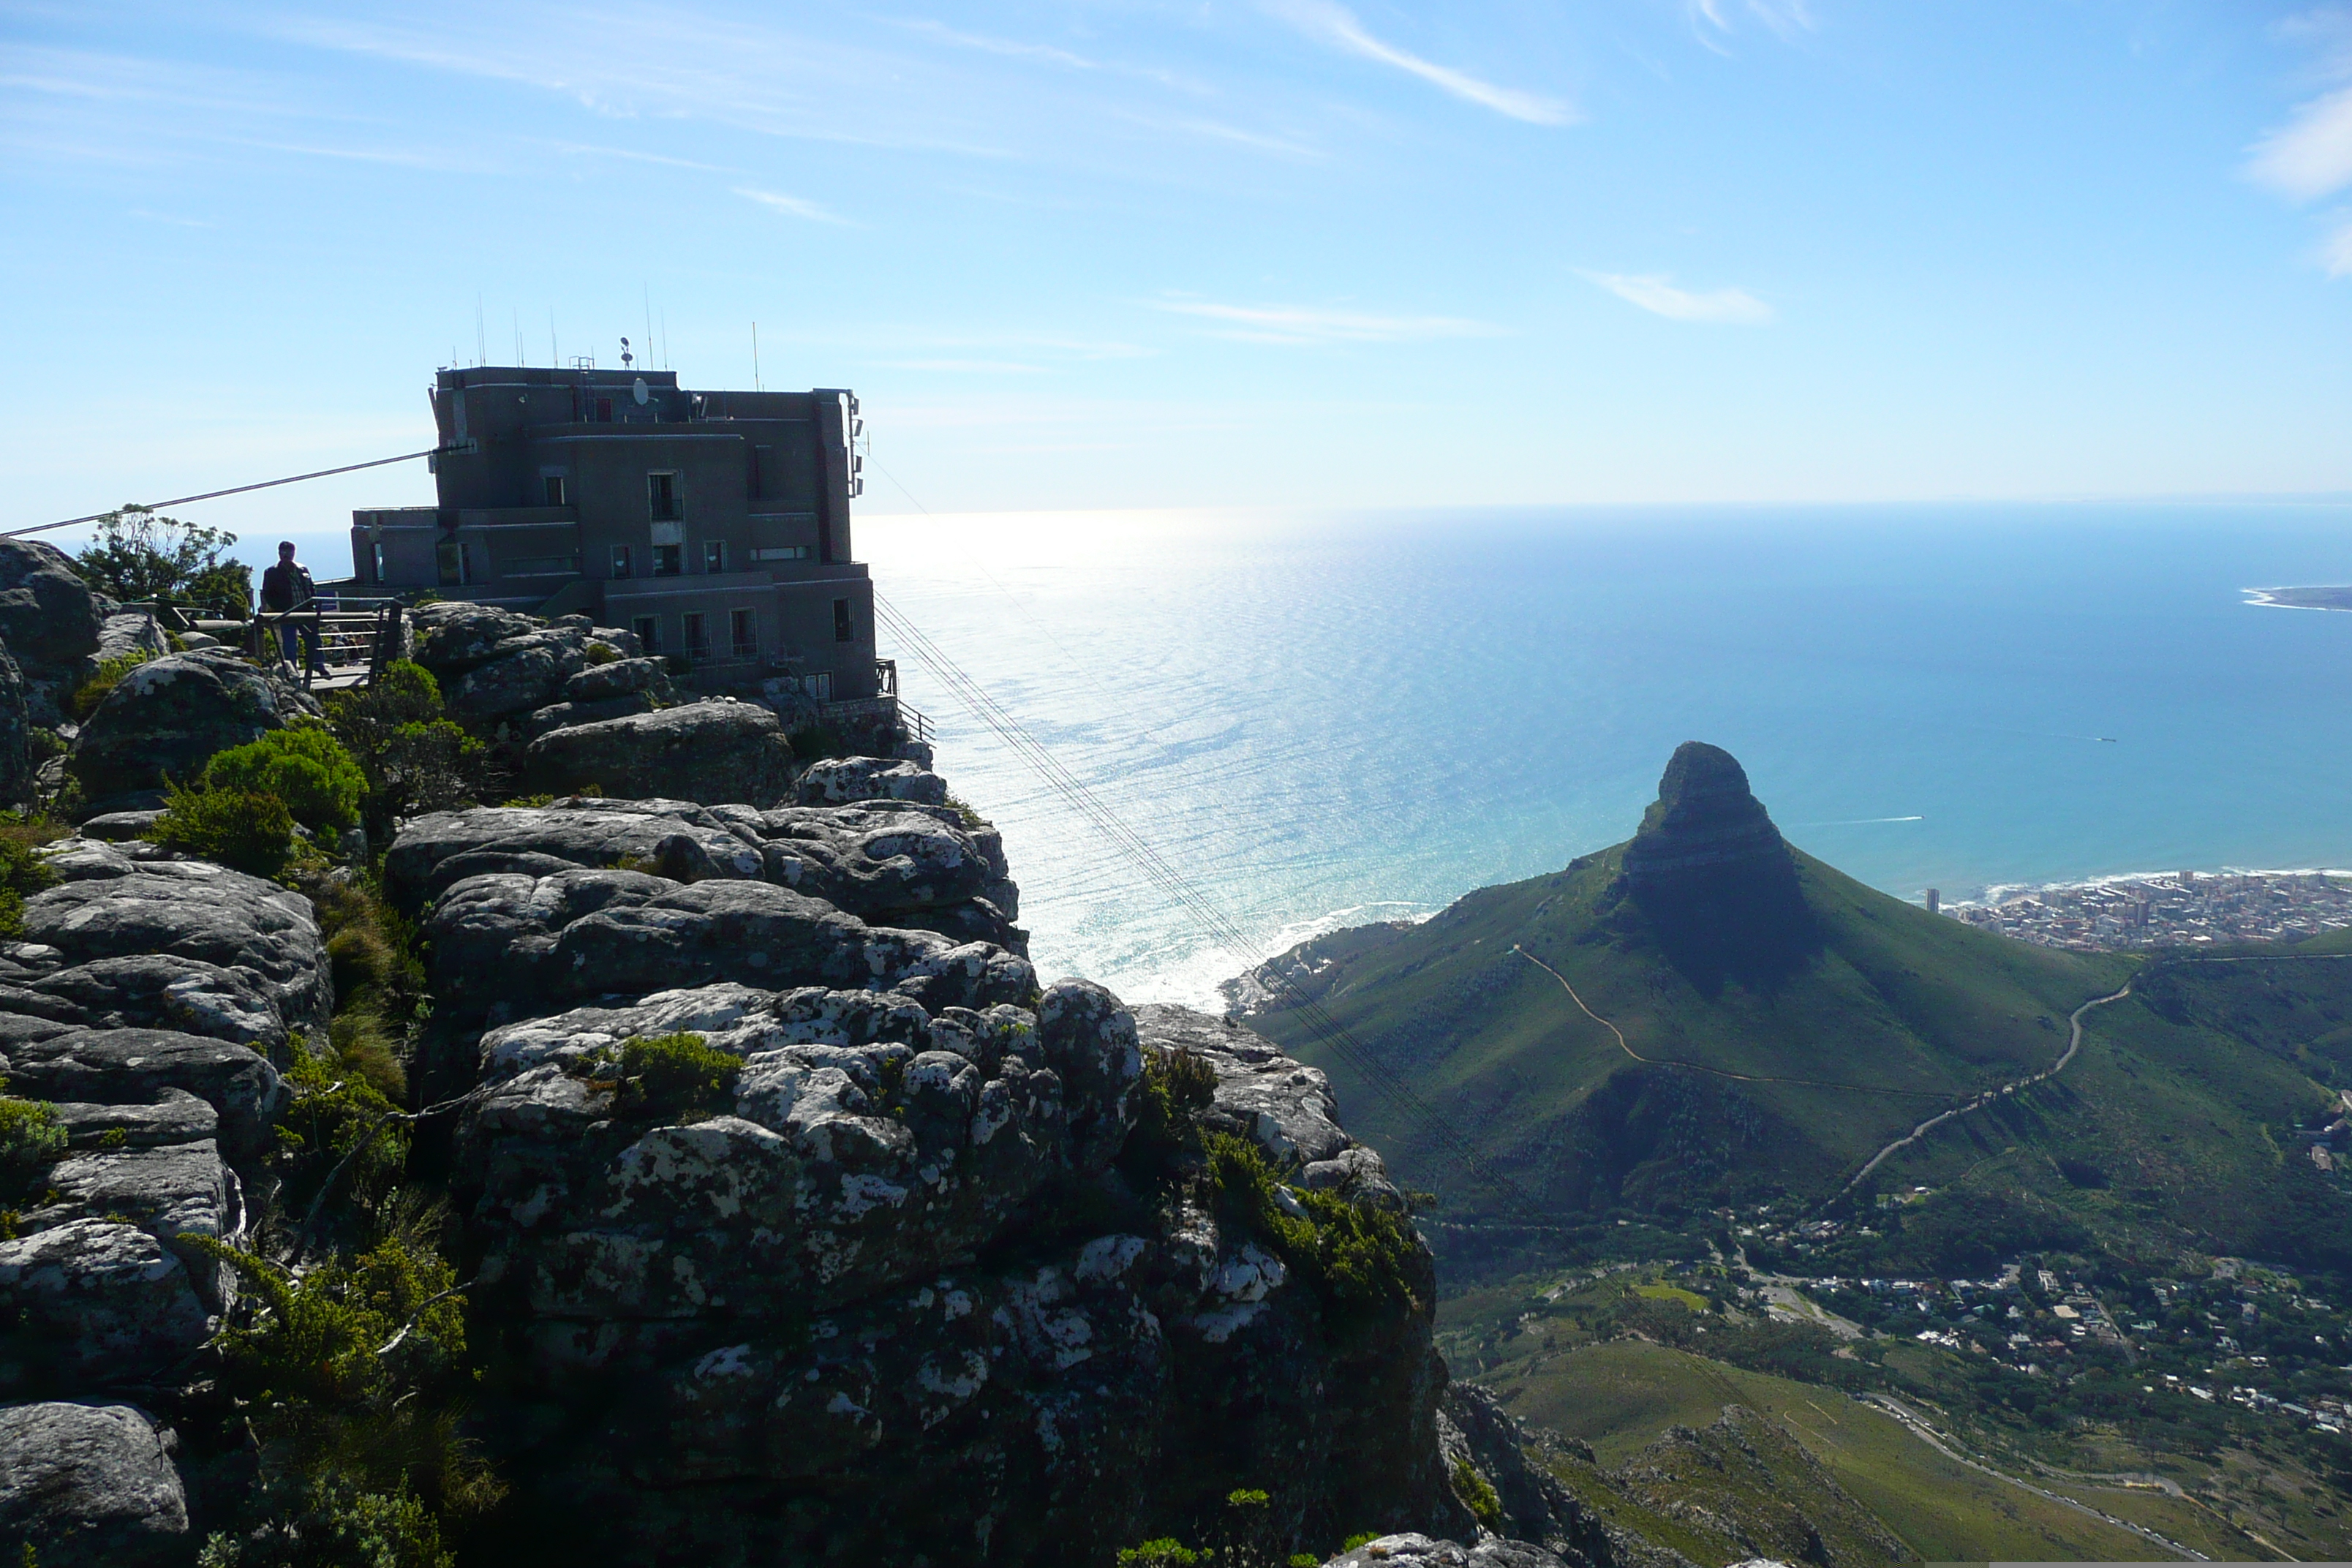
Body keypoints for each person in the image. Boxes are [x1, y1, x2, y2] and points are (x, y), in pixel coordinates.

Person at [259, 541, 327, 679]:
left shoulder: (303, 569)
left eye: (289, 551)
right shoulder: (272, 572)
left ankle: (319, 665)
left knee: (314, 639)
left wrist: (312, 603)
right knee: (290, 643)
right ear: (279, 553)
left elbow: (311, 587)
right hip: (287, 613)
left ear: (293, 553)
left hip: (306, 611)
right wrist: (279, 608)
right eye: (283, 551)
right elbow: (268, 593)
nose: (286, 554)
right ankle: (292, 670)